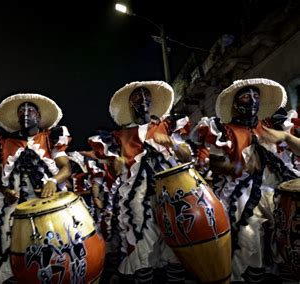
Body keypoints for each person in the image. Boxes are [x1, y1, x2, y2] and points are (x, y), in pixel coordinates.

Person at [190, 78, 299, 282]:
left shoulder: (272, 124)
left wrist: (285, 138)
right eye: (246, 96)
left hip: (279, 190)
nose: (252, 101)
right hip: (243, 193)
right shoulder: (224, 130)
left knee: (288, 241)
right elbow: (215, 165)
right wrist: (240, 166)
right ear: (236, 103)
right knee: (249, 240)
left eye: (256, 96)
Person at [88, 81, 192, 282]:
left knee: (175, 243)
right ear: (130, 104)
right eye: (137, 96)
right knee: (142, 243)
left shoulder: (166, 125)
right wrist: (117, 162)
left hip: (172, 193)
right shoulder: (119, 136)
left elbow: (187, 156)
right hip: (137, 199)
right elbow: (114, 172)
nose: (143, 99)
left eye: (146, 95)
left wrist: (171, 142)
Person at [0, 93, 72, 284]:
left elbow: (66, 169)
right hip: (14, 211)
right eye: (22, 111)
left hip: (47, 208)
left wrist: (52, 182)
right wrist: (5, 191)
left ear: (39, 116)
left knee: (52, 254)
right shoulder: (3, 144)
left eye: (31, 110)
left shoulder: (50, 138)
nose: (25, 114)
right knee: (11, 253)